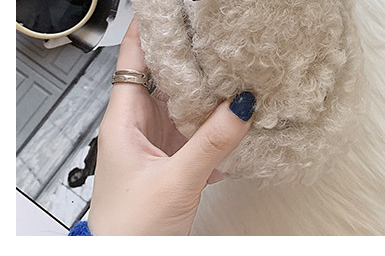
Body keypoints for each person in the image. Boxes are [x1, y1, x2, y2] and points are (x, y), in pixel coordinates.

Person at [68, 18, 256, 236]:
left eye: (74, 176)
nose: (77, 177)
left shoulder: (94, 166)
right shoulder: (99, 176)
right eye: (76, 180)